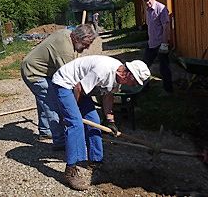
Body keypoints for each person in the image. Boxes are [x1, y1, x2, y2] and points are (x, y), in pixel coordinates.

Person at [52, 55, 151, 190]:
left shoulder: (118, 77)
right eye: (134, 82)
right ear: (127, 74)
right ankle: (71, 170)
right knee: (76, 124)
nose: (133, 86)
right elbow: (78, 88)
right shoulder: (103, 70)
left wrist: (110, 120)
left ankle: (95, 161)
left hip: (80, 87)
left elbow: (108, 95)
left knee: (94, 120)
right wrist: (70, 112)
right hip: (66, 83)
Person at [21, 24, 98, 150]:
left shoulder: (67, 33)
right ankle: (60, 141)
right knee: (53, 106)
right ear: (77, 38)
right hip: (34, 72)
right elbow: (68, 79)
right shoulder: (65, 50)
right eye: (86, 43)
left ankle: (46, 131)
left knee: (45, 101)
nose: (87, 47)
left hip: (39, 68)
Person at [141, 0, 173, 95]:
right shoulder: (147, 9)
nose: (147, 2)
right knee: (144, 66)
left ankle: (168, 90)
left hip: (160, 43)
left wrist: (164, 44)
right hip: (151, 43)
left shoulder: (161, 8)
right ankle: (144, 87)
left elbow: (166, 27)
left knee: (164, 67)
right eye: (145, 0)